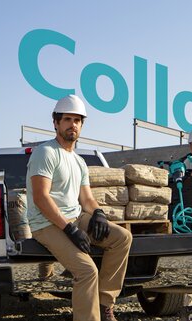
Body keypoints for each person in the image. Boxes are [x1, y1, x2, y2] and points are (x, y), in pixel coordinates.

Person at [26, 94, 132, 321]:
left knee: (122, 238)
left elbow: (86, 200)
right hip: (46, 223)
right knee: (87, 271)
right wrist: (69, 230)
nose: (72, 124)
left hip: (74, 218)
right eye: (67, 119)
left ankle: (104, 304)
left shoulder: (79, 161)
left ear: (82, 125)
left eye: (77, 120)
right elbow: (41, 198)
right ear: (55, 123)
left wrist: (99, 214)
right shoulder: (45, 152)